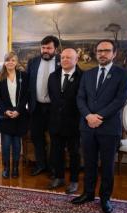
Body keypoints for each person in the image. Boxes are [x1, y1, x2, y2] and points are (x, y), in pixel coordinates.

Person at [72, 39, 127, 213]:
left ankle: (105, 198)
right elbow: (80, 98)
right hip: (87, 126)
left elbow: (120, 100)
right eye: (99, 51)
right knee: (89, 163)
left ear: (114, 53)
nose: (102, 54)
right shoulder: (88, 74)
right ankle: (88, 193)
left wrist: (100, 117)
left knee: (107, 166)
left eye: (106, 50)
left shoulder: (123, 74)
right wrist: (89, 116)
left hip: (109, 128)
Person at [47, 48, 82, 194]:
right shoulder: (53, 76)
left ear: (76, 60)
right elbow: (53, 98)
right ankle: (59, 177)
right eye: (63, 58)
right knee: (57, 152)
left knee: (74, 153)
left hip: (74, 123)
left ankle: (74, 180)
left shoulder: (83, 77)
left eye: (69, 57)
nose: (65, 60)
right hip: (56, 122)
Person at [26, 35, 61, 176]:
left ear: (55, 49)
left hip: (54, 109)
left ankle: (53, 168)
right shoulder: (33, 62)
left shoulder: (61, 61)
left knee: (55, 138)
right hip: (37, 107)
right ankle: (40, 165)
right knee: (37, 136)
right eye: (43, 47)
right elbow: (28, 84)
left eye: (49, 48)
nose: (45, 50)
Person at [0, 52, 28, 178]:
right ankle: (6, 168)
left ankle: (15, 168)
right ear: (4, 62)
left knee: (17, 143)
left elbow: (26, 95)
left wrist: (19, 110)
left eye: (13, 60)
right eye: (8, 60)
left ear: (16, 62)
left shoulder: (23, 76)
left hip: (19, 114)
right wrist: (5, 111)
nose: (10, 62)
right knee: (6, 143)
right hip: (5, 115)